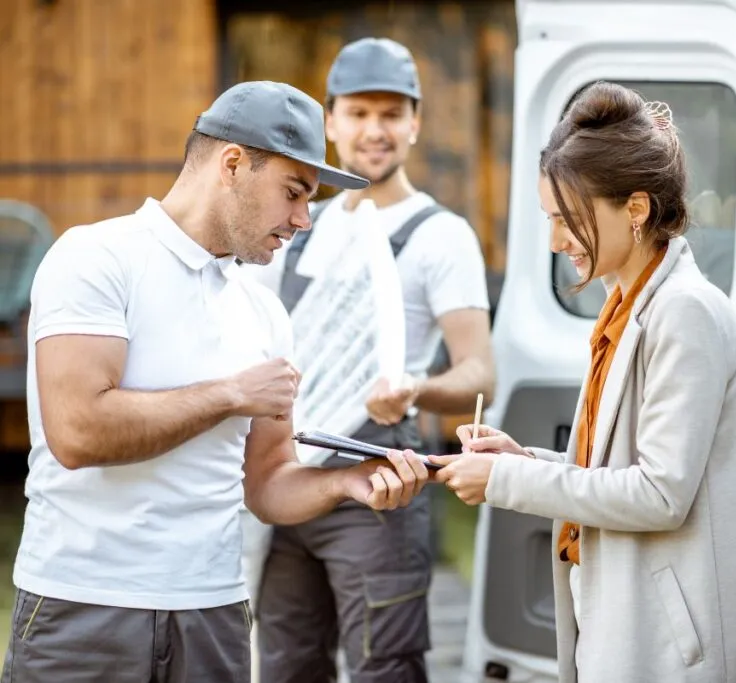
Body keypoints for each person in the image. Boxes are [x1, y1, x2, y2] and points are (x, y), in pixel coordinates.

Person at [0, 80, 432, 683]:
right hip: (81, 608)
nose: (304, 219)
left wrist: (348, 484)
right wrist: (231, 395)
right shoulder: (95, 259)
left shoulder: (264, 313)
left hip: (214, 614)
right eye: (293, 193)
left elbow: (268, 482)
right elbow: (79, 432)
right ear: (233, 164)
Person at [430, 82, 736, 683]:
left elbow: (660, 493)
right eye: (549, 219)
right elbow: (613, 461)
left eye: (568, 220)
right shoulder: (626, 304)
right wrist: (523, 457)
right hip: (627, 620)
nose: (555, 241)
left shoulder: (684, 311)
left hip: (676, 645)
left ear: (637, 210)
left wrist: (508, 479)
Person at [253, 38, 495, 683]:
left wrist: (413, 389)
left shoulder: (440, 234)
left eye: (391, 114)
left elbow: (480, 373)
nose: (374, 130)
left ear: (415, 123)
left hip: (380, 484)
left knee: (383, 668)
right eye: (358, 113)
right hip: (287, 480)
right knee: (284, 668)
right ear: (330, 122)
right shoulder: (300, 224)